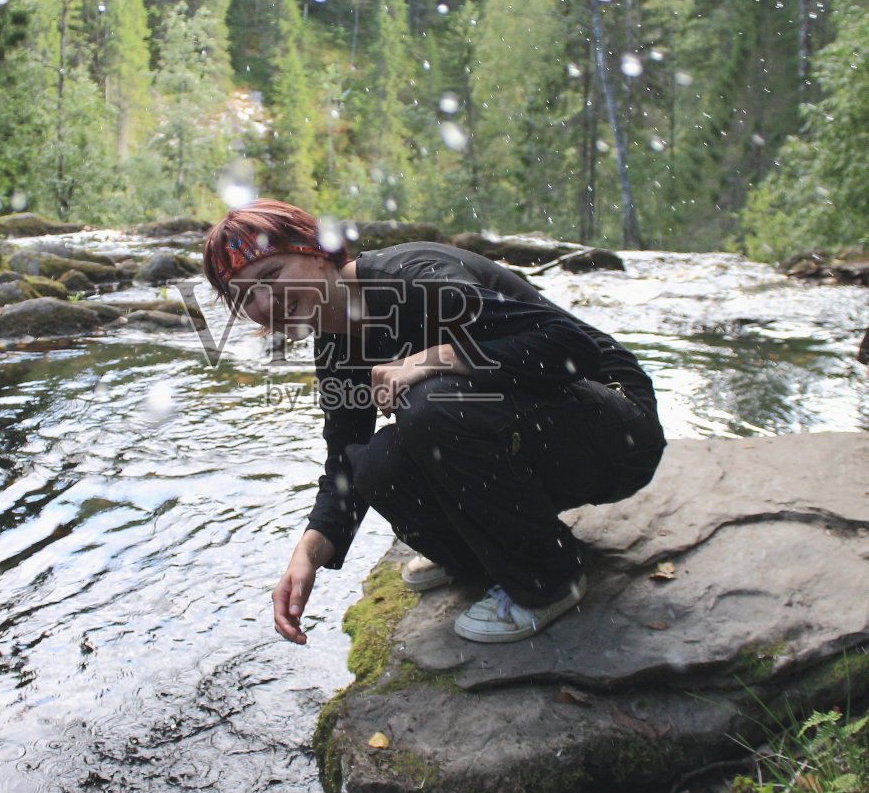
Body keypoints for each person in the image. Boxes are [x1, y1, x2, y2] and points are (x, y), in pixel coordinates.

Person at [203, 200, 666, 646]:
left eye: (271, 275)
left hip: (618, 427)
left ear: (317, 251)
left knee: (430, 403)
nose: (265, 303)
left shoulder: (413, 277)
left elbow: (572, 348)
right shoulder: (335, 343)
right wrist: (306, 556)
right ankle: (485, 557)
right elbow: (344, 462)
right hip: (538, 433)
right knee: (375, 463)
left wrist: (434, 358)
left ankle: (549, 580)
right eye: (244, 296)